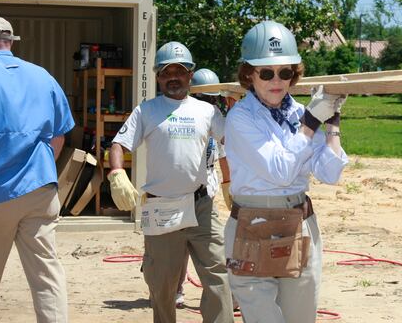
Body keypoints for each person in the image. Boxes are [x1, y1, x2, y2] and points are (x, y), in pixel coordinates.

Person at [223, 20, 348, 323]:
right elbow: (279, 170)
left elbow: (330, 173)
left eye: (285, 72)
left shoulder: (299, 113)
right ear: (249, 74)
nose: (276, 80)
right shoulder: (241, 117)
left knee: (300, 318)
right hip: (251, 225)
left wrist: (332, 124)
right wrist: (310, 123)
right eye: (266, 72)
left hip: (297, 223)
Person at [107, 41, 234, 323]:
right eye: (166, 73)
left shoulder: (207, 111)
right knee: (162, 284)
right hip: (162, 208)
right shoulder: (147, 111)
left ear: (190, 75)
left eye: (179, 71)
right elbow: (119, 144)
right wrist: (116, 172)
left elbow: (231, 144)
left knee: (217, 275)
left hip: (201, 206)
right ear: (158, 77)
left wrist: (229, 182)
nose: (173, 77)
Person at [0, 16, 75, 322]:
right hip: (40, 191)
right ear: (10, 42)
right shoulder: (43, 76)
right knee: (46, 276)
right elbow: (60, 134)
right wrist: (43, 169)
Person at [174, 67, 232, 308]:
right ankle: (174, 287)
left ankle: (223, 297)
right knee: (178, 248)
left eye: (212, 99)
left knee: (214, 247)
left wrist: (228, 184)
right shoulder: (182, 117)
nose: (209, 103)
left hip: (206, 193)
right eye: (204, 98)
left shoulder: (213, 117)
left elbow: (223, 154)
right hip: (178, 193)